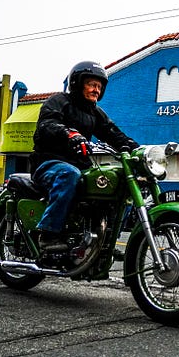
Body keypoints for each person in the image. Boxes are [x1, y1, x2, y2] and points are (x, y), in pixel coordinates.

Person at [30, 61, 139, 251]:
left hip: (80, 165)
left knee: (120, 184)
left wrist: (136, 149)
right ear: (77, 84)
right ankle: (48, 234)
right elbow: (47, 124)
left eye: (99, 86)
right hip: (49, 162)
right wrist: (68, 133)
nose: (96, 90)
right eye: (91, 84)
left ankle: (105, 239)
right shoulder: (59, 101)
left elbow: (113, 133)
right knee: (69, 174)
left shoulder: (95, 113)